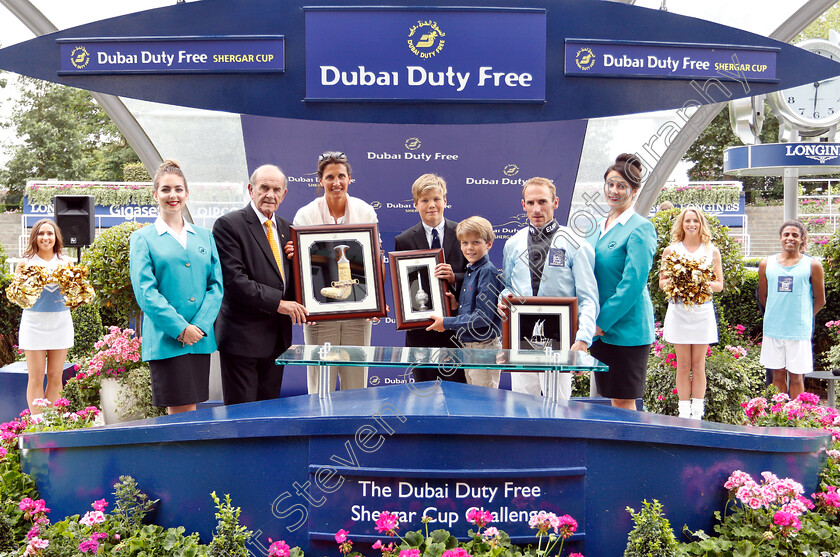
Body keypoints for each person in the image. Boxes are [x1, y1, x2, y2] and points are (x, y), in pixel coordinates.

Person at [129, 160, 223, 414]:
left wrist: (200, 327)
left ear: (187, 193)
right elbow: (146, 293)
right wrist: (181, 328)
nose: (173, 195)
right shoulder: (143, 238)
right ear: (155, 194)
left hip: (199, 339)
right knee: (181, 413)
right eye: (166, 189)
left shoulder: (205, 236)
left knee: (191, 409)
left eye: (179, 189)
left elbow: (216, 287)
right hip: (167, 338)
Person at [213, 164, 308, 405]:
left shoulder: (289, 230)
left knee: (269, 413)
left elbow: (292, 283)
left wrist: (300, 264)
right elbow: (235, 281)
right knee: (242, 417)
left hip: (276, 340)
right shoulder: (228, 225)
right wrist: (279, 304)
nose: (270, 194)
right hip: (242, 340)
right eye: (264, 187)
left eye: (277, 189)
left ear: (284, 194)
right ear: (251, 189)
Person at [499, 177, 599, 399]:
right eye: (531, 202)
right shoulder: (513, 244)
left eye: (543, 202)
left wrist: (583, 338)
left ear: (555, 203)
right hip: (521, 340)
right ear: (523, 205)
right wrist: (503, 298)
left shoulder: (576, 244)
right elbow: (508, 287)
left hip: (560, 342)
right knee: (520, 405)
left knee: (558, 407)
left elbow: (588, 298)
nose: (537, 209)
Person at [293, 151, 378, 393]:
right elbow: (300, 266)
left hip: (357, 310)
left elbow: (374, 259)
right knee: (321, 386)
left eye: (341, 176)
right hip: (319, 312)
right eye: (330, 177)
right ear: (320, 180)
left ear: (350, 178)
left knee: (357, 386)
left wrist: (375, 302)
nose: (336, 182)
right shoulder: (305, 214)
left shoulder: (365, 212)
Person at [587, 154, 657, 411]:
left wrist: (601, 323)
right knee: (608, 399)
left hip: (626, 330)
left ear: (635, 191)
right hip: (600, 330)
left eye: (622, 186)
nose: (614, 191)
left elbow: (633, 284)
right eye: (610, 184)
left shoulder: (641, 228)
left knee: (623, 400)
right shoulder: (595, 227)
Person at [394, 173, 467, 383]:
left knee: (458, 394)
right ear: (416, 204)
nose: (431, 205)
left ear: (445, 201)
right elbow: (403, 287)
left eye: (436, 199)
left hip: (456, 328)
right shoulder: (404, 240)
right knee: (423, 394)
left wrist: (455, 278)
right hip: (421, 331)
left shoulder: (463, 233)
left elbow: (476, 276)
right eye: (425, 200)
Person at [658, 208, 724, 420]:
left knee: (699, 364)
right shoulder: (670, 250)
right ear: (682, 224)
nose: (692, 224)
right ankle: (683, 412)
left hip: (702, 312)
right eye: (688, 220)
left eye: (695, 220)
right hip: (679, 311)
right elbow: (662, 282)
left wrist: (698, 282)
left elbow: (719, 285)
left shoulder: (711, 251)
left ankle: (698, 412)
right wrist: (681, 283)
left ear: (701, 223)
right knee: (683, 364)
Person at [427, 217, 504, 387]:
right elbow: (472, 312)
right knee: (475, 401)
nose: (469, 248)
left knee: (484, 404)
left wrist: (446, 323)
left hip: (484, 349)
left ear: (489, 244)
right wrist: (455, 307)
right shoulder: (471, 270)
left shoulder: (487, 272)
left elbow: (482, 318)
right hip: (469, 347)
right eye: (464, 243)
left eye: (475, 242)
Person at [758, 220, 825, 399]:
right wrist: (777, 314)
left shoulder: (813, 265)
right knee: (777, 375)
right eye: (786, 234)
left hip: (798, 332)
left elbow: (820, 300)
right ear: (780, 238)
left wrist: (803, 318)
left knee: (796, 377)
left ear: (802, 239)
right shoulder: (766, 263)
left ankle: (796, 420)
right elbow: (763, 297)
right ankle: (778, 417)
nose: (790, 238)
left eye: (795, 235)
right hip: (773, 330)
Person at [16, 219, 73, 415]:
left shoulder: (67, 262)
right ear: (35, 237)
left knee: (56, 376)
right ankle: (38, 423)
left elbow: (75, 294)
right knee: (36, 377)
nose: (45, 237)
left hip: (61, 322)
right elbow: (17, 297)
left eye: (49, 233)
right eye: (41, 234)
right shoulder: (25, 262)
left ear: (56, 237)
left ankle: (52, 423)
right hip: (34, 323)